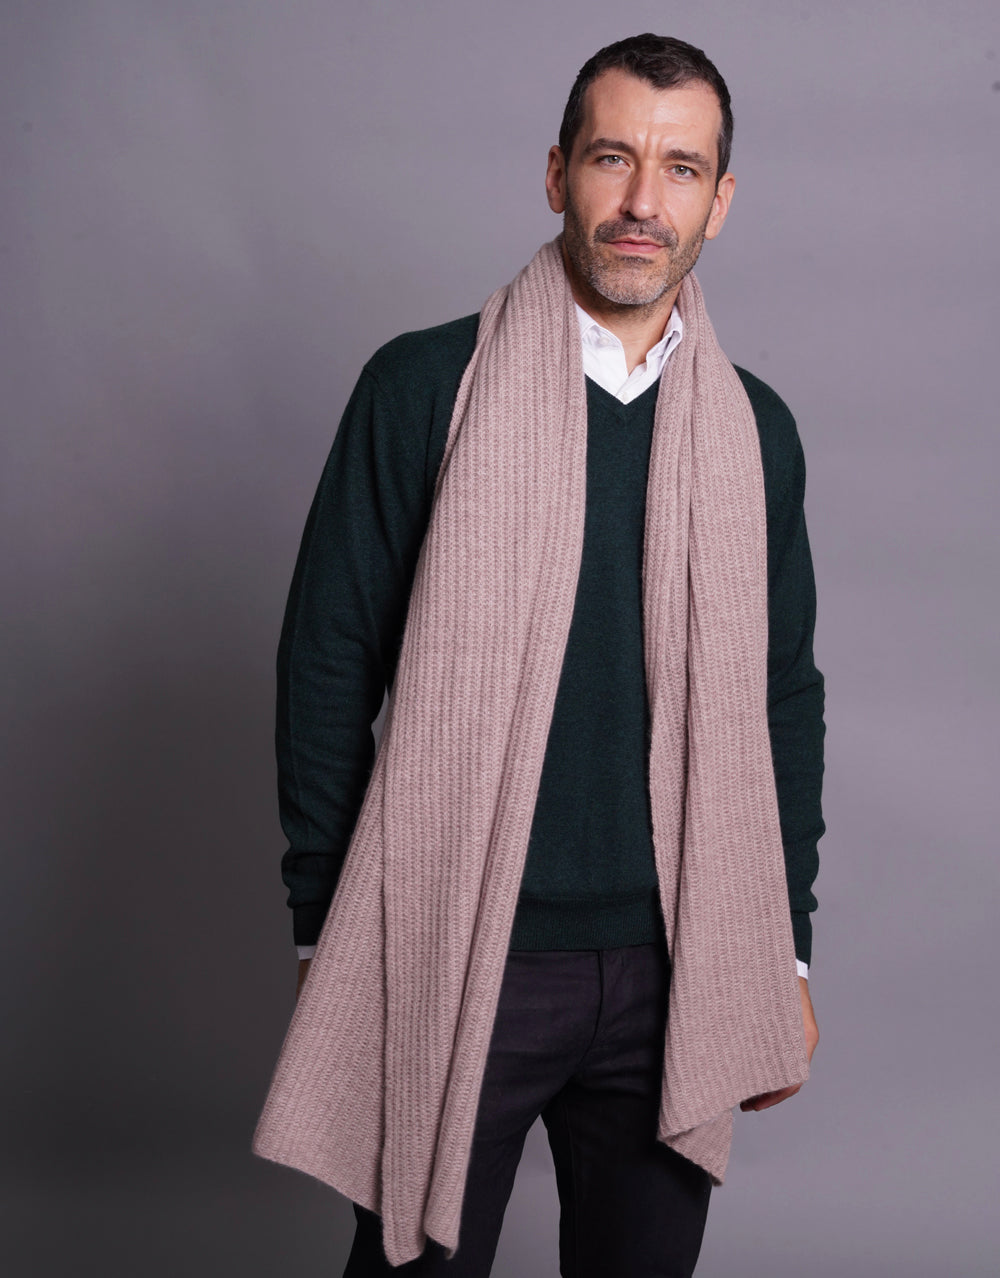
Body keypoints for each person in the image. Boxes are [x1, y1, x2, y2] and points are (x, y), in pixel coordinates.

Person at [252, 33, 825, 1278]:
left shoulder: (755, 431)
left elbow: (783, 695)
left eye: (681, 169)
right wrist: (324, 931)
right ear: (557, 172)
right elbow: (327, 664)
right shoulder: (423, 389)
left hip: (678, 964)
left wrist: (780, 950)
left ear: (720, 202)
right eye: (613, 158)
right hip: (458, 943)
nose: (642, 201)